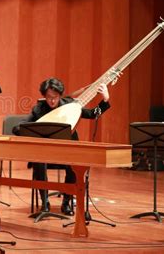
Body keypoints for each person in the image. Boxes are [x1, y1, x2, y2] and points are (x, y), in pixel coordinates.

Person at [13, 77, 110, 216]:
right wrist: (27, 131)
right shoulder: (39, 109)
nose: (52, 100)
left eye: (55, 97)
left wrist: (105, 99)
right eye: (49, 97)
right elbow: (19, 126)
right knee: (38, 163)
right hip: (45, 153)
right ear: (44, 96)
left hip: (66, 150)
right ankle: (45, 203)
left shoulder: (70, 105)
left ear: (60, 95)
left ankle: (66, 202)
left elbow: (93, 114)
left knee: (73, 165)